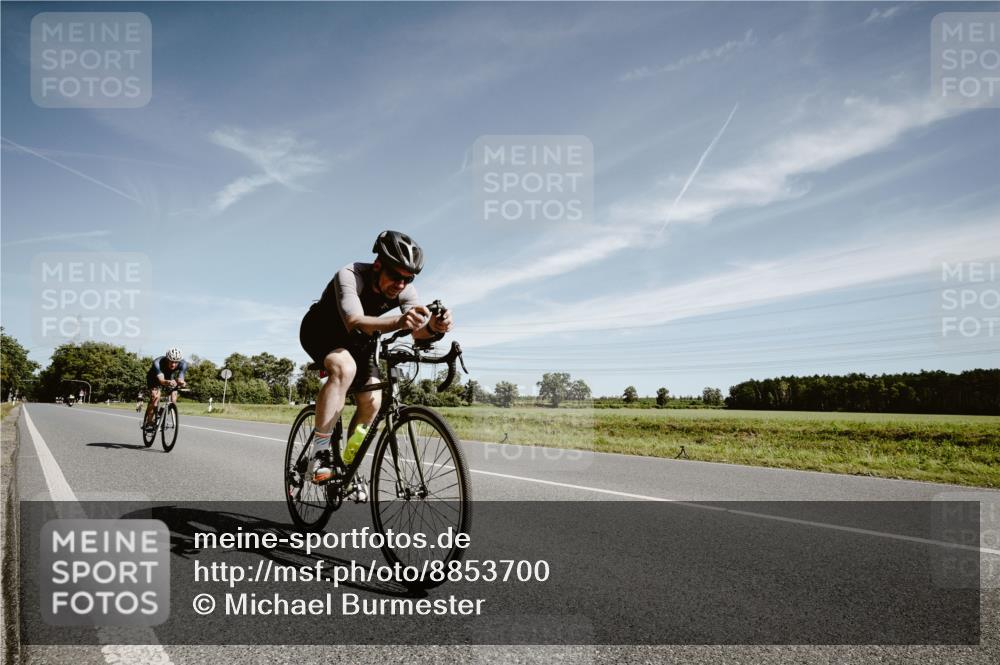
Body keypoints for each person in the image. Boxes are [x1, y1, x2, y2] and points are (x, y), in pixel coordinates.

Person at [299, 230, 453, 483]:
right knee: (343, 367)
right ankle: (320, 454)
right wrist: (399, 321)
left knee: (372, 402)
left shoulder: (405, 291)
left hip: (361, 341)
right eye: (395, 276)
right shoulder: (350, 274)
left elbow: (417, 333)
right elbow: (355, 321)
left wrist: (436, 328)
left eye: (408, 278)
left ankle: (347, 464)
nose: (401, 285)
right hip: (322, 331)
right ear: (378, 265)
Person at [143, 348, 188, 430]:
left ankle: (161, 413)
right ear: (167, 359)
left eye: (176, 362)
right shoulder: (157, 362)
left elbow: (180, 378)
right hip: (154, 378)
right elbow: (161, 380)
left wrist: (182, 382)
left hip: (169, 377)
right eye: (171, 361)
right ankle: (149, 421)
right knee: (155, 397)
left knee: (173, 400)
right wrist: (167, 382)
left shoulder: (183, 364)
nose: (173, 364)